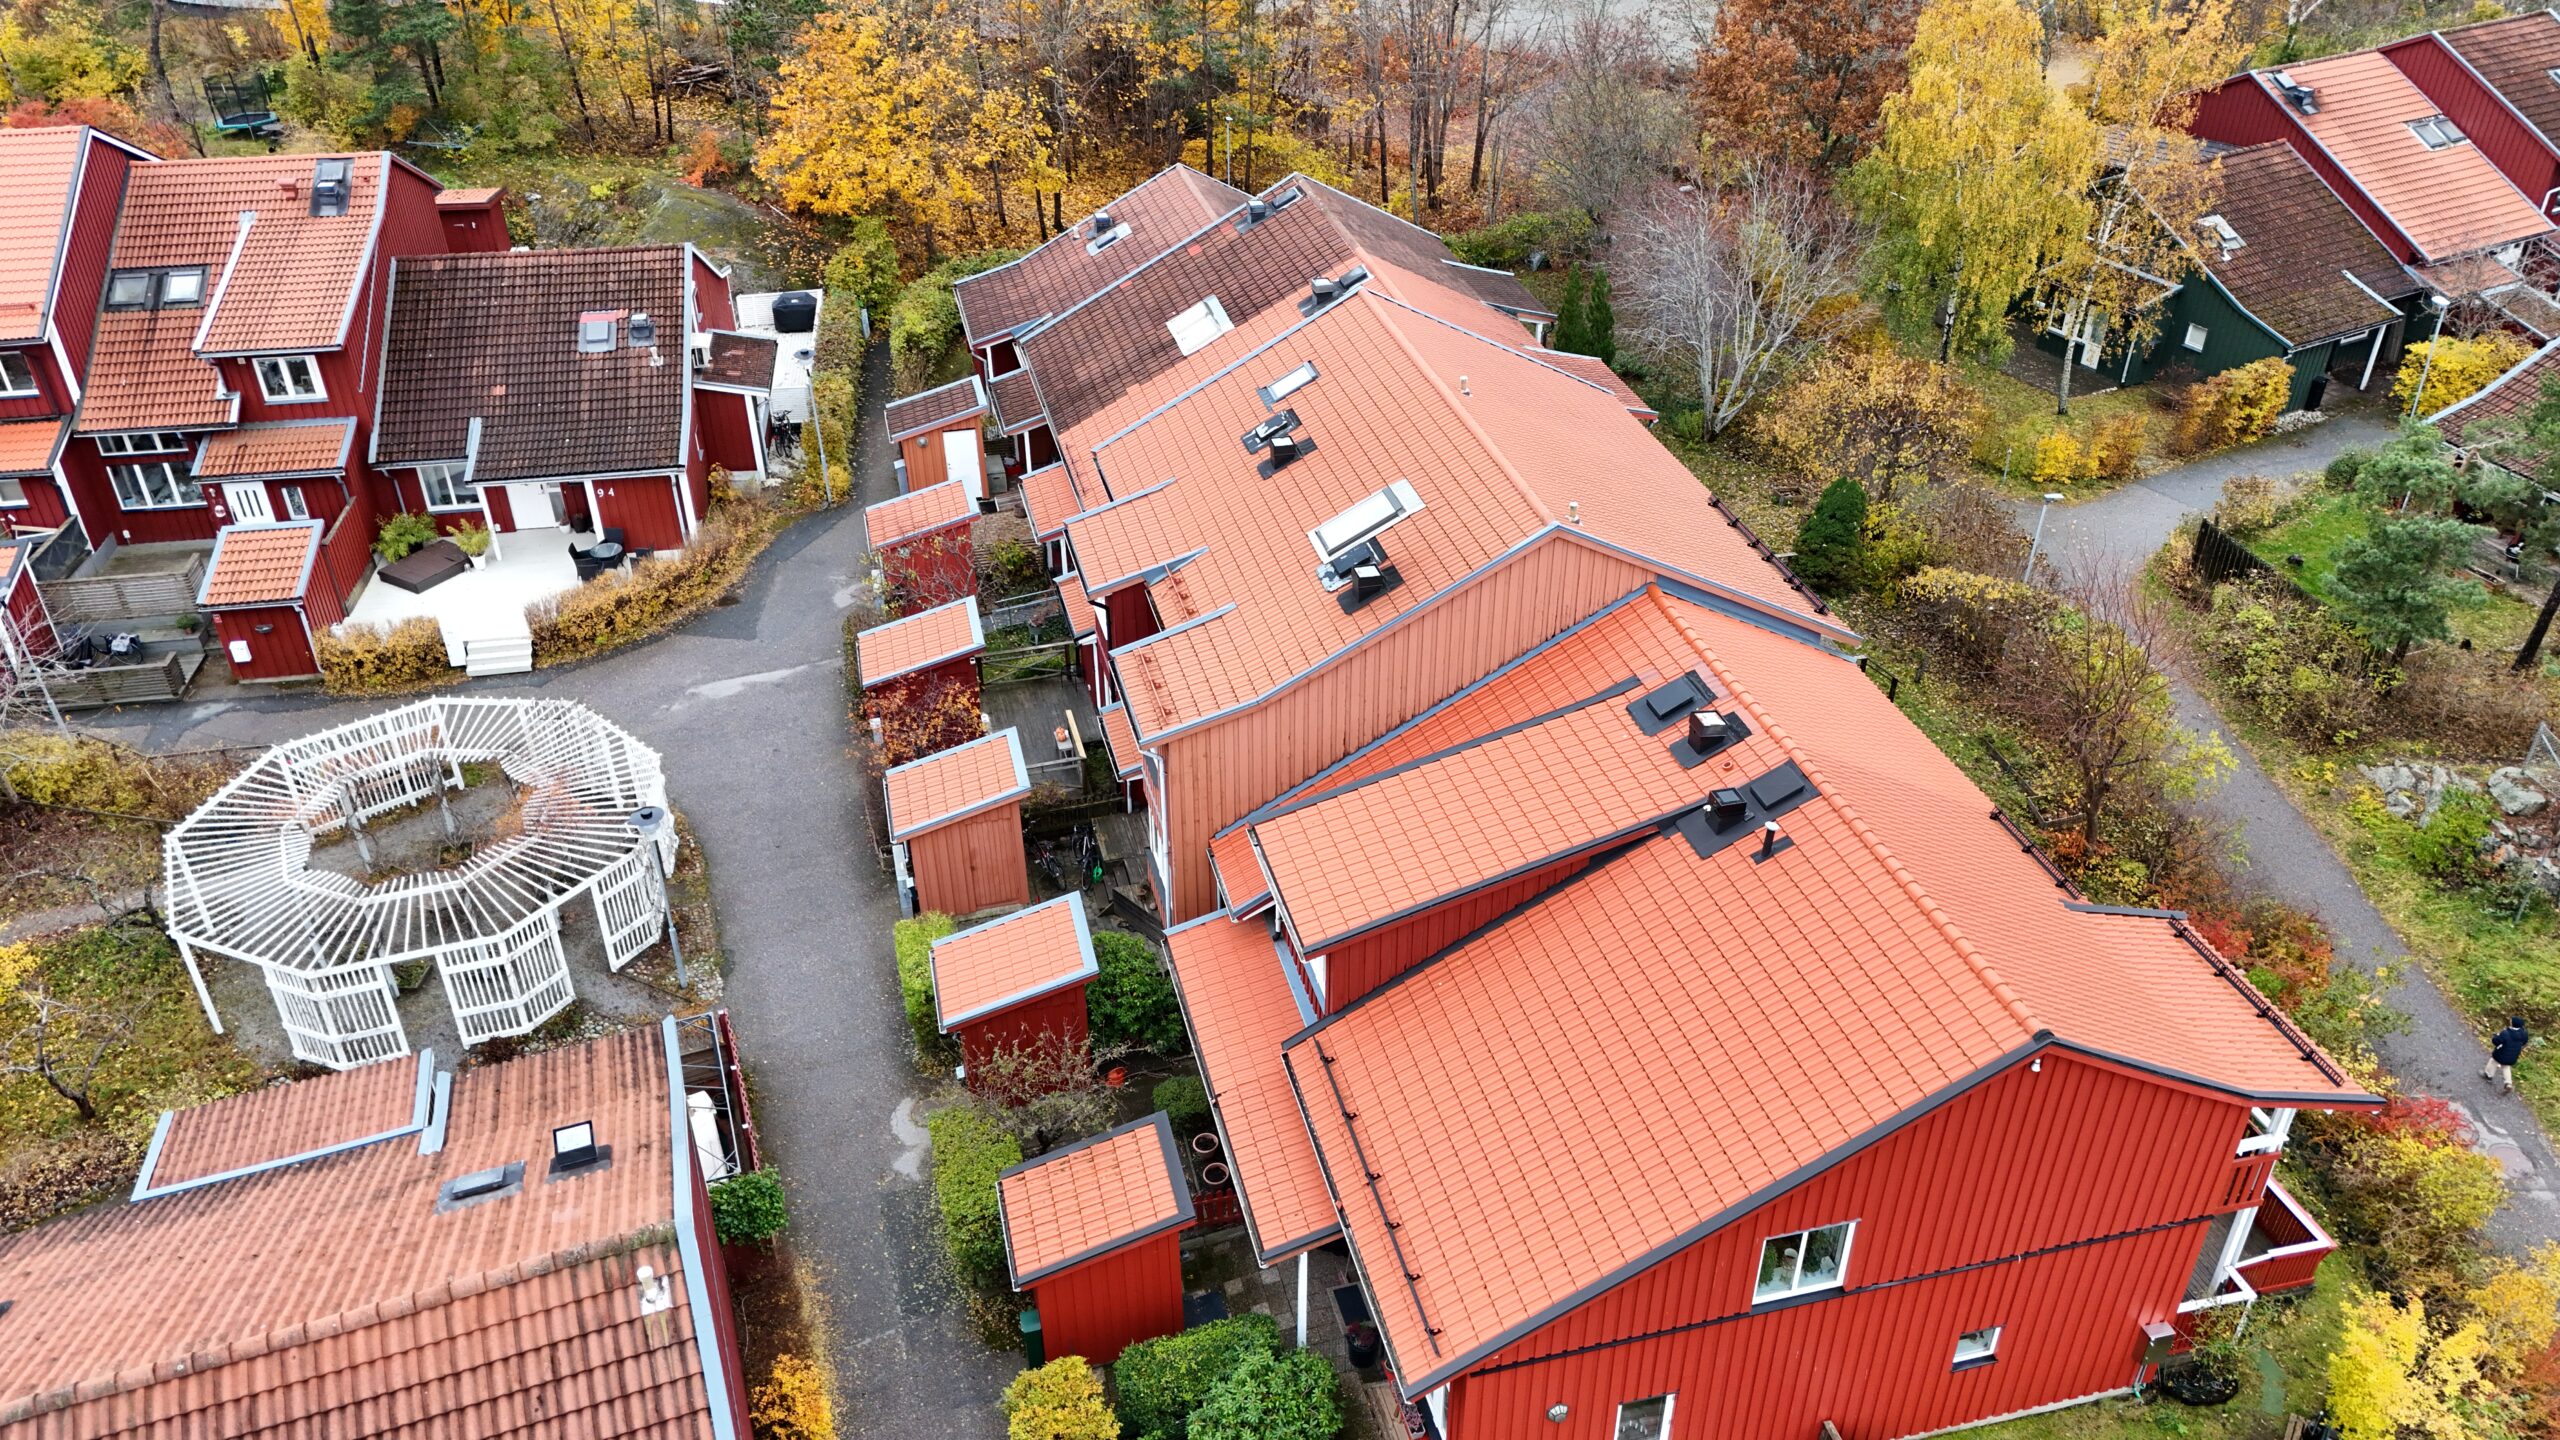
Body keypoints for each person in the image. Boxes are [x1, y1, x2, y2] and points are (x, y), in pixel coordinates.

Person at [2486, 1017, 2531, 1094]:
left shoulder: (2506, 1033)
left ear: (2512, 1023)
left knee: (2493, 1061)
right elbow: (2524, 1042)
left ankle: (2488, 1075)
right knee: (2506, 1067)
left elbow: (2496, 1041)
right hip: (2513, 1055)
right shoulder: (2524, 1033)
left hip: (2501, 1053)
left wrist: (2495, 1037)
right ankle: (2508, 1083)